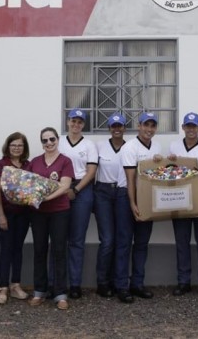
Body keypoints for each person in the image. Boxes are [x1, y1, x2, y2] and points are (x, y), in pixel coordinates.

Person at [168, 112, 198, 298]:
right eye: (188, 126)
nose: (191, 129)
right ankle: (183, 281)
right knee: (182, 242)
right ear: (183, 127)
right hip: (179, 199)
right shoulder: (174, 146)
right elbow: (169, 171)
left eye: (194, 126)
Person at [118, 112, 163, 303]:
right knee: (124, 243)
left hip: (147, 198)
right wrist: (133, 204)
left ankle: (137, 284)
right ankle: (121, 286)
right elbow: (130, 179)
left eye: (153, 126)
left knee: (142, 243)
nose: (149, 129)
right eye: (146, 125)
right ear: (139, 126)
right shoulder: (129, 147)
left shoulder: (157, 146)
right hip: (127, 197)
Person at [27, 127, 73, 310]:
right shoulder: (35, 162)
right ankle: (39, 291)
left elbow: (64, 187)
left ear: (57, 140)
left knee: (59, 251)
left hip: (59, 211)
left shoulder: (65, 161)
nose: (49, 143)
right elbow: (29, 184)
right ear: (41, 143)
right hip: (38, 213)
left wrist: (44, 198)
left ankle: (60, 294)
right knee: (39, 250)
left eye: (52, 139)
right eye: (45, 140)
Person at [59, 108, 98, 299]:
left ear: (83, 125)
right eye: (73, 121)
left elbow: (91, 172)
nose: (76, 125)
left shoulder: (89, 145)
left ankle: (75, 284)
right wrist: (64, 189)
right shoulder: (59, 142)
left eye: (80, 122)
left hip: (82, 189)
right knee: (58, 238)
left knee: (77, 240)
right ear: (67, 122)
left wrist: (76, 190)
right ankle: (56, 284)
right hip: (61, 188)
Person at [0, 132, 31, 304]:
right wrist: (1, 215)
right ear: (8, 146)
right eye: (13, 145)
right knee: (6, 249)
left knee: (18, 249)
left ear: (24, 148)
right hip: (5, 214)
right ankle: (3, 287)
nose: (16, 148)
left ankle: (15, 285)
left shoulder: (28, 166)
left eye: (20, 145)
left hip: (23, 215)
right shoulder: (1, 165)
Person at [93, 113, 128, 298]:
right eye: (113, 125)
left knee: (122, 240)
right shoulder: (99, 146)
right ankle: (103, 282)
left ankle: (119, 282)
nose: (117, 129)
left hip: (123, 192)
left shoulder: (130, 147)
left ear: (124, 128)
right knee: (107, 240)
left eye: (120, 126)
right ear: (109, 128)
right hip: (103, 193)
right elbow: (91, 170)